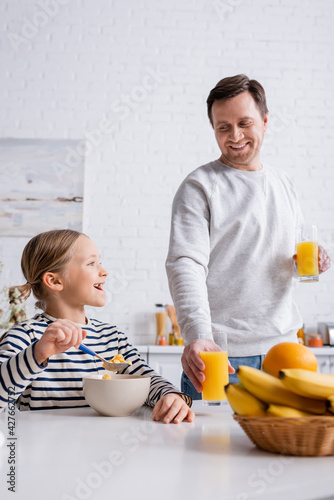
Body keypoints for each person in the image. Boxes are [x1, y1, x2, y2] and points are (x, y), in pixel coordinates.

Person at [165, 74, 331, 400]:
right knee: (209, 450)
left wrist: (310, 262)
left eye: (245, 123)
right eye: (223, 127)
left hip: (285, 353)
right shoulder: (200, 186)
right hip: (219, 356)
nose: (235, 136)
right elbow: (185, 263)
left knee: (285, 448)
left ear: (265, 121)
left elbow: (282, 260)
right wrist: (197, 335)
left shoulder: (284, 184)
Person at [0, 229, 194, 424]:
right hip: (43, 450)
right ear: (55, 281)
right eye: (91, 263)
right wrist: (37, 354)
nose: (104, 271)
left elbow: (146, 379)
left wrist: (171, 397)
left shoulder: (111, 337)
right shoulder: (26, 336)